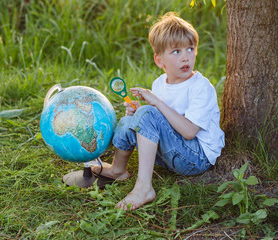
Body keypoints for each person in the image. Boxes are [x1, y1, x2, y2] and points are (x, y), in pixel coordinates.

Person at [92, 12, 225, 210]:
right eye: (176, 52)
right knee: (130, 120)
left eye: (190, 49)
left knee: (148, 113)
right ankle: (118, 170)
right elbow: (158, 122)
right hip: (172, 151)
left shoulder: (200, 87)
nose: (186, 56)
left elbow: (189, 132)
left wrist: (155, 105)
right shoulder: (159, 83)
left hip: (196, 157)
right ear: (159, 60)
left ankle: (144, 188)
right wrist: (138, 113)